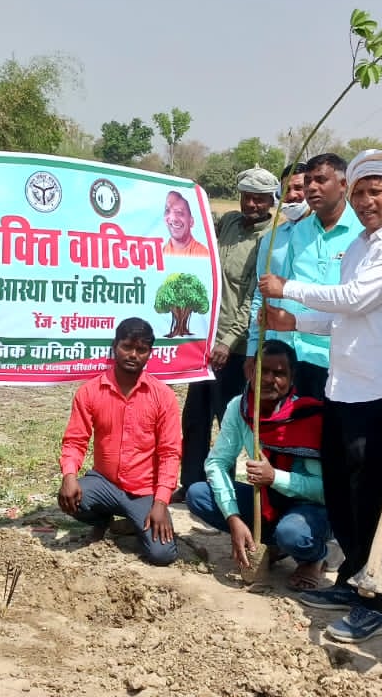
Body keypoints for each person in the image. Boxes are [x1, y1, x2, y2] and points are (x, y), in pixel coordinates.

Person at [259, 149, 382, 641]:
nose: (366, 201)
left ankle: (374, 602)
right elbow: (342, 316)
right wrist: (295, 322)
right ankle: (352, 579)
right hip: (344, 384)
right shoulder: (360, 245)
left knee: (372, 500)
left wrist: (288, 288)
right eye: (359, 192)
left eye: (376, 191)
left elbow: (355, 298)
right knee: (340, 491)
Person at [185, 340, 331, 590]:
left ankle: (315, 557)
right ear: (251, 371)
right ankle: (272, 544)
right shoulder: (239, 408)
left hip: (307, 508)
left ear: (292, 378)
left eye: (279, 373)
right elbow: (217, 463)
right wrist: (233, 518)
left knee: (293, 534)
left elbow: (325, 491)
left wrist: (275, 477)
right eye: (264, 370)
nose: (269, 379)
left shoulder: (307, 417)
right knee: (198, 494)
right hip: (264, 499)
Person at [178, 167, 275, 494]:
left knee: (228, 419)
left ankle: (225, 487)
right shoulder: (230, 222)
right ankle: (192, 483)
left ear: (270, 200)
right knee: (195, 415)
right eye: (247, 197)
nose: (252, 204)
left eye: (259, 199)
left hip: (234, 347)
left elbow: (252, 297)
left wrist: (229, 341)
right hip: (205, 338)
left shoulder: (270, 238)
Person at [58, 318, 182, 565]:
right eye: (127, 346)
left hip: (144, 491)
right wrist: (69, 476)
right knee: (68, 498)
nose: (133, 354)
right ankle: (102, 520)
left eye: (141, 350)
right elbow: (75, 441)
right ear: (115, 346)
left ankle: (134, 522)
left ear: (150, 354)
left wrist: (160, 503)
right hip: (104, 483)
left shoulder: (163, 396)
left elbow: (170, 453)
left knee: (162, 555)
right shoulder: (90, 391)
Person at [245, 153, 359, 400]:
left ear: (343, 185)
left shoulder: (361, 233)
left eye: (320, 180)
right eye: (308, 181)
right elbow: (277, 289)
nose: (311, 188)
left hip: (337, 359)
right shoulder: (300, 232)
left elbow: (354, 300)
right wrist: (258, 346)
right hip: (292, 356)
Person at [163, 190, 211, 257]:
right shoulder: (162, 251)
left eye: (179, 212)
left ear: (191, 221)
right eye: (167, 211)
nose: (173, 218)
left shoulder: (202, 253)